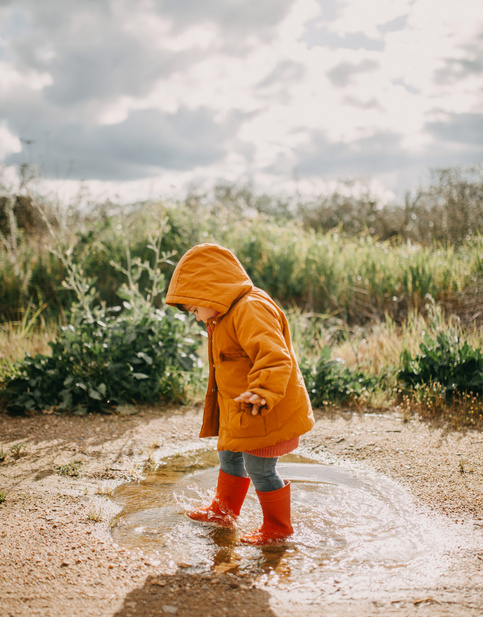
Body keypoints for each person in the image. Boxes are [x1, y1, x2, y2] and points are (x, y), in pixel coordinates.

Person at [165, 243, 314, 545]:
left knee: (260, 468)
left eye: (194, 308)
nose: (196, 316)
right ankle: (223, 512)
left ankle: (278, 528)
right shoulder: (222, 315)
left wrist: (261, 392)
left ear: (211, 290)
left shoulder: (250, 308)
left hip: (264, 407)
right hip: (240, 410)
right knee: (228, 455)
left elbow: (274, 356)